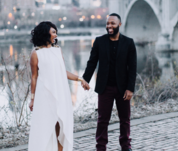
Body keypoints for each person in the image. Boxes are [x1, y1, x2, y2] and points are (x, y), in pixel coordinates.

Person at [28, 21, 90, 151]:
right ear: (46, 34)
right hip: (44, 94)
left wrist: (80, 79)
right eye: (53, 32)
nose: (56, 35)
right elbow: (34, 77)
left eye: (56, 32)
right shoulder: (36, 53)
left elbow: (63, 71)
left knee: (62, 124)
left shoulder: (58, 50)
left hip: (61, 92)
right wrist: (32, 98)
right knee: (46, 124)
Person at [82, 13, 137, 151]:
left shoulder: (128, 42)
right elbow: (92, 62)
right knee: (102, 120)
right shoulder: (99, 41)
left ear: (119, 24)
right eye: (107, 23)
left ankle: (126, 146)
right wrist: (85, 79)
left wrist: (130, 88)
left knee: (125, 119)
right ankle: (100, 147)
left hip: (123, 88)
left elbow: (133, 67)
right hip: (104, 87)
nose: (109, 26)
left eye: (112, 23)